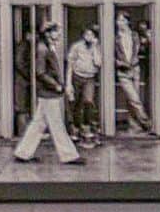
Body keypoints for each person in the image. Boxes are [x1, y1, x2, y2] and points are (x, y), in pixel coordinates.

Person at [12, 24, 81, 165]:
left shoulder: (46, 47)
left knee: (38, 124)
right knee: (56, 124)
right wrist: (55, 85)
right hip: (48, 92)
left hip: (46, 92)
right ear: (48, 33)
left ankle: (23, 153)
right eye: (56, 32)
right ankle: (69, 155)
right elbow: (40, 72)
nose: (59, 34)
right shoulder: (43, 49)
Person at [113, 12, 149, 131]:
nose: (120, 23)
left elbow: (142, 50)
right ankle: (146, 122)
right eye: (118, 20)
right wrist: (118, 62)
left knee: (132, 99)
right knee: (134, 98)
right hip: (123, 71)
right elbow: (110, 56)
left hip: (135, 68)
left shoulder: (135, 35)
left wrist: (148, 38)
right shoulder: (114, 37)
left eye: (122, 20)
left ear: (128, 21)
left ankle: (133, 125)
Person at [66, 26, 102, 143]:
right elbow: (70, 65)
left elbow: (98, 63)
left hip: (90, 78)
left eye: (91, 35)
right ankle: (75, 129)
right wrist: (68, 83)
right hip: (77, 77)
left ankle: (87, 128)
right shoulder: (76, 46)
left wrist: (95, 47)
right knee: (76, 103)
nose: (89, 37)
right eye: (87, 34)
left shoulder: (96, 47)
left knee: (88, 101)